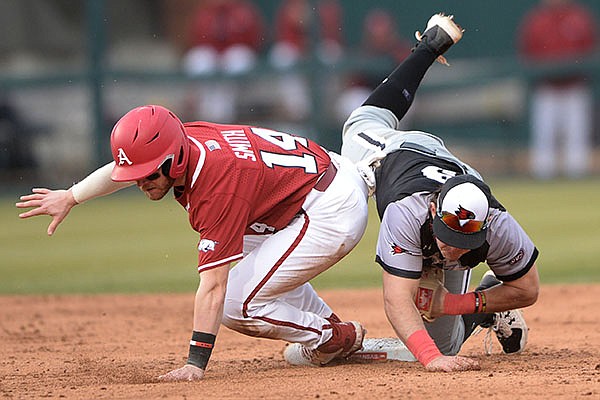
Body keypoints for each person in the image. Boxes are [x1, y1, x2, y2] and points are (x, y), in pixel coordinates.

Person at [16, 105, 370, 378]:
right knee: (254, 271)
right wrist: (71, 196)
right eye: (135, 176)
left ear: (175, 158)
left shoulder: (216, 185)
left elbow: (213, 286)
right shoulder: (181, 140)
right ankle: (334, 330)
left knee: (235, 303)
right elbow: (125, 167)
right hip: (310, 186)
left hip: (328, 210)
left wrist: (195, 363)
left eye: (149, 175)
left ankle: (329, 338)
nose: (141, 183)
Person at [340, 13, 540, 372]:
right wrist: (429, 359)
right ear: (434, 212)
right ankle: (426, 49)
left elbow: (528, 290)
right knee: (359, 123)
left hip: (460, 175)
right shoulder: (406, 211)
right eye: (449, 235)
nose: (453, 245)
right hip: (395, 155)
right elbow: (395, 298)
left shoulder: (496, 223)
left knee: (446, 343)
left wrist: (452, 305)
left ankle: (489, 310)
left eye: (463, 239)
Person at [517, 0, 598, 180]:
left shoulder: (578, 17)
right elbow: (528, 52)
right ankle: (542, 182)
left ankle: (578, 182)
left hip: (575, 87)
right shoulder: (538, 20)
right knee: (544, 141)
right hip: (547, 89)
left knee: (577, 140)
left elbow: (590, 49)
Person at [181, 0, 265, 122]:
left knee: (236, 57)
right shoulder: (205, 12)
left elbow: (254, 41)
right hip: (213, 61)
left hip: (234, 63)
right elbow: (195, 39)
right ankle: (206, 114)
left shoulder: (243, 11)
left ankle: (223, 116)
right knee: (200, 58)